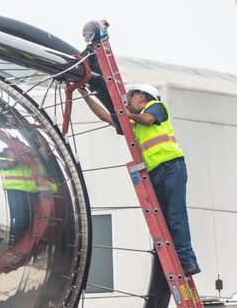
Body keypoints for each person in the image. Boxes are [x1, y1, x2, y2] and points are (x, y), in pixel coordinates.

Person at [83, 83, 200, 276]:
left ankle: (187, 260)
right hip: (155, 172)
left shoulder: (155, 108)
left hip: (172, 166)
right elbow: (104, 116)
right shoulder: (133, 123)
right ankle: (175, 258)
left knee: (176, 215)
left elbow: (147, 120)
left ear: (142, 97)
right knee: (163, 218)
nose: (129, 102)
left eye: (132, 97)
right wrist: (86, 95)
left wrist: (125, 113)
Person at [0, 146, 37, 245]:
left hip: (31, 192)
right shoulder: (1, 161)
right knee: (19, 218)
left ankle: (22, 241)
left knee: (28, 220)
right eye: (11, 152)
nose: (15, 153)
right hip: (15, 191)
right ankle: (14, 242)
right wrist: (22, 154)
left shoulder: (29, 160)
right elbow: (9, 163)